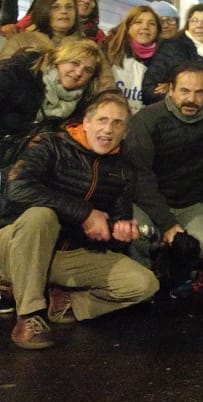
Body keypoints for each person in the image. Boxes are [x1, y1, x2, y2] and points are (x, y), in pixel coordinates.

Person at [0, 91, 158, 350]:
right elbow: (16, 188)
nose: (108, 129)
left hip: (68, 256)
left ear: (125, 132)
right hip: (16, 243)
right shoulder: (50, 143)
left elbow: (114, 227)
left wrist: (119, 232)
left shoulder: (123, 170)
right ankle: (28, 316)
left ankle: (64, 301)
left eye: (117, 123)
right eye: (102, 120)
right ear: (85, 122)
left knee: (144, 284)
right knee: (42, 216)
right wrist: (84, 213)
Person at [124, 64, 203, 270]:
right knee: (139, 236)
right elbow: (141, 178)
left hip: (192, 203)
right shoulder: (146, 120)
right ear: (170, 89)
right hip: (149, 201)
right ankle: (143, 278)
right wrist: (167, 224)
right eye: (184, 91)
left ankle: (181, 278)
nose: (191, 99)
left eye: (199, 92)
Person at [0, 38, 105, 169]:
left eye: (88, 70)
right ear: (59, 59)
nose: (79, 73)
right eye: (75, 63)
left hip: (25, 161)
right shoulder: (22, 70)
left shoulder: (83, 105)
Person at [142, 4, 203, 106]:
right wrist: (174, 91)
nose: (199, 25)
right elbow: (148, 90)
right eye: (194, 20)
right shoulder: (172, 49)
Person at [103, 5, 161, 112]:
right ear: (128, 26)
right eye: (138, 22)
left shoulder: (164, 59)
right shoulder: (109, 49)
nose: (145, 27)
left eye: (152, 24)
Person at [0, 0, 84, 52]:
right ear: (44, 10)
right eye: (55, 7)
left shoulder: (85, 47)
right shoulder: (21, 40)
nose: (64, 11)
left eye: (69, 7)